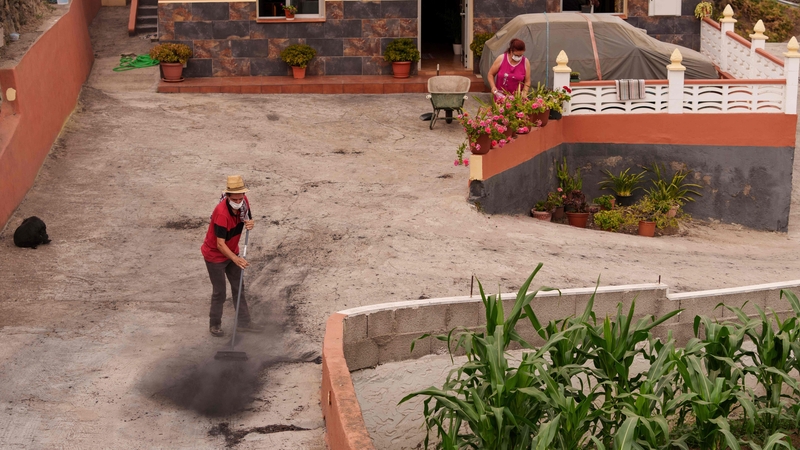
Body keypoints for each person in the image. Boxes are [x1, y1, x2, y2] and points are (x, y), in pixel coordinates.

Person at [201, 175, 260, 337]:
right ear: (227, 196)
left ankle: (243, 323)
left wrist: (250, 223)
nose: (239, 201)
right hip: (215, 256)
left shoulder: (244, 202)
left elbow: (248, 218)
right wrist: (236, 259)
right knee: (220, 292)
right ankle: (215, 324)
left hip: (232, 251)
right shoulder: (221, 213)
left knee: (238, 287)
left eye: (241, 197)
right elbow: (220, 244)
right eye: (235, 198)